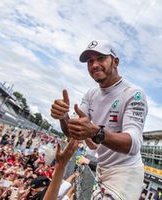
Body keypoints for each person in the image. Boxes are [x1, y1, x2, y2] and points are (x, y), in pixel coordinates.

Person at [51, 40, 148, 200]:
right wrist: (63, 117)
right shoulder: (91, 94)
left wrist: (95, 132)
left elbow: (134, 143)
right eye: (90, 61)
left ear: (115, 62)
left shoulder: (133, 93)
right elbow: (73, 131)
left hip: (125, 173)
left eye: (101, 58)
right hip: (101, 168)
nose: (94, 65)